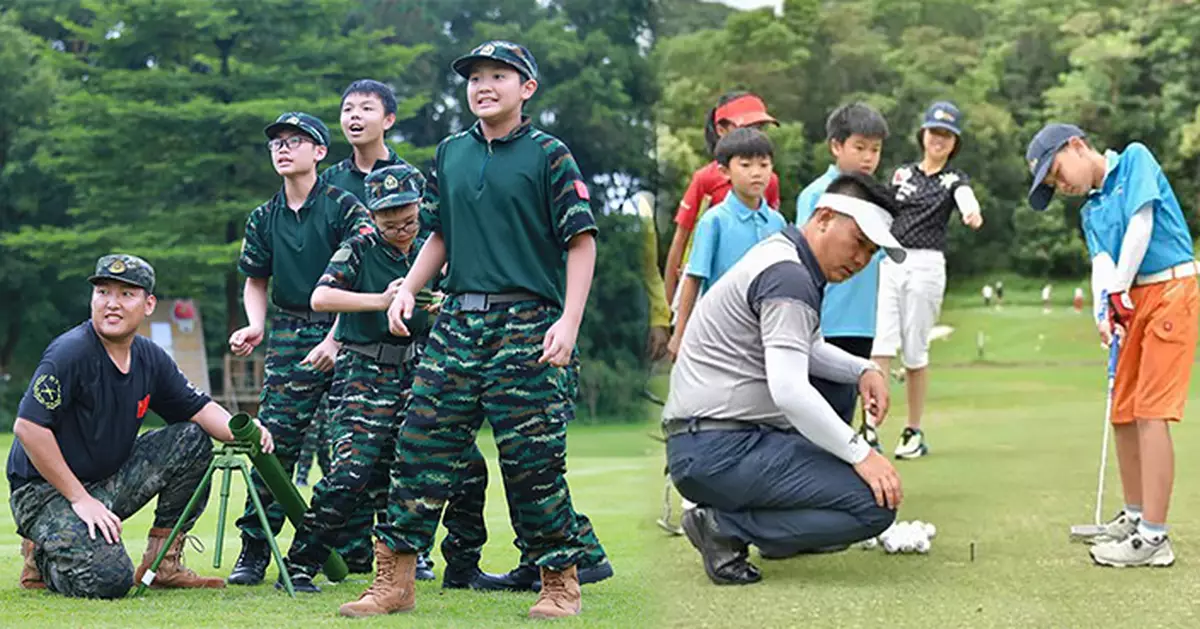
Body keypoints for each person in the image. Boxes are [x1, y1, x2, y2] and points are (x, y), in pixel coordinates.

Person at [338, 40, 598, 619]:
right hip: (457, 320)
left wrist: (569, 321)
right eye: (476, 77)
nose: (484, 85)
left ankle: (559, 582)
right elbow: (438, 234)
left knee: (531, 460)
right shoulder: (451, 152)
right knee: (418, 447)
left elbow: (581, 241)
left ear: (526, 88)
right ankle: (395, 582)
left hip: (527, 322)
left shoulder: (549, 154)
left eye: (499, 76)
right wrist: (407, 288)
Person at [662, 173, 904, 585]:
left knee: (843, 426)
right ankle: (725, 527)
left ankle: (745, 527)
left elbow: (803, 347)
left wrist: (863, 369)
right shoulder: (788, 275)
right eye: (858, 242)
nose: (862, 259)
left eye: (871, 251)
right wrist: (862, 453)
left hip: (709, 442)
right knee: (873, 506)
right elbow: (790, 391)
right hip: (719, 447)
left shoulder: (785, 258)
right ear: (825, 217)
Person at [8, 254, 275, 598]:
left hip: (106, 481)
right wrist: (79, 498)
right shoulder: (70, 353)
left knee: (193, 438)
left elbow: (199, 408)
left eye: (126, 294)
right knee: (109, 580)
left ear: (148, 304)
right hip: (45, 492)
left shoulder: (150, 357)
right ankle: (43, 555)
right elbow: (29, 428)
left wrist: (246, 428)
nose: (112, 304)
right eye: (103, 292)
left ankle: (162, 563)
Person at [279, 163, 489, 591]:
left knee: (466, 467)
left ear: (419, 208)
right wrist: (382, 299)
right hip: (363, 371)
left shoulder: (435, 247)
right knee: (351, 474)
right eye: (389, 222)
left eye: (409, 220)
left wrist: (441, 305)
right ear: (373, 217)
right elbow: (321, 297)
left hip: (420, 368)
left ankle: (461, 565)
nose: (401, 230)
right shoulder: (359, 246)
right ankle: (300, 566)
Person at [1026, 123, 1197, 567]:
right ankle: (1137, 516)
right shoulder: (1091, 211)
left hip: (1171, 291)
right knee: (1123, 409)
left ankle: (1154, 539)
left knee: (1150, 411)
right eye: (1050, 184)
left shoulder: (1135, 158)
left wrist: (1119, 290)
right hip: (1132, 300)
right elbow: (1103, 264)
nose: (1059, 185)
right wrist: (1104, 311)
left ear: (1077, 146)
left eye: (1057, 172)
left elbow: (1141, 224)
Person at [227, 112, 375, 584]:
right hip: (290, 332)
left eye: (296, 141)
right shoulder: (263, 217)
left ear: (319, 152)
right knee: (274, 444)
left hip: (348, 331)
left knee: (350, 447)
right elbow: (256, 280)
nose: (283, 149)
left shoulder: (345, 207)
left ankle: (347, 550)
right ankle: (254, 549)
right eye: (276, 143)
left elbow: (364, 275)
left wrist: (336, 337)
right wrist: (255, 324)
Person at [869, 101, 984, 458]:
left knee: (915, 350)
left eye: (947, 135)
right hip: (890, 260)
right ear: (923, 134)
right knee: (881, 345)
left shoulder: (954, 178)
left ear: (954, 143)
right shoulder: (901, 174)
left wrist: (971, 210)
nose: (939, 140)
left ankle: (913, 431)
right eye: (935, 132)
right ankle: (870, 429)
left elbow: (965, 197)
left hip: (926, 265)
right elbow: (883, 209)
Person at [794, 102, 890, 430]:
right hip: (824, 324)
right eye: (859, 147)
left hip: (861, 324)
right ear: (836, 146)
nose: (868, 158)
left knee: (844, 414)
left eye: (875, 150)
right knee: (819, 417)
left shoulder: (878, 200)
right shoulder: (817, 195)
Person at [668, 128, 787, 357]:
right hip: (719, 330)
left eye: (764, 165)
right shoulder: (714, 221)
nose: (756, 173)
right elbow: (694, 278)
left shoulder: (777, 222)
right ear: (725, 171)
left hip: (764, 331)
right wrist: (679, 334)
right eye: (745, 165)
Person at [662, 92, 783, 310]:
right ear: (721, 130)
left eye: (759, 128)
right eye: (746, 127)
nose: (753, 135)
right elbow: (680, 239)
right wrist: (665, 311)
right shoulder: (705, 179)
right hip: (708, 290)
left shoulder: (769, 181)